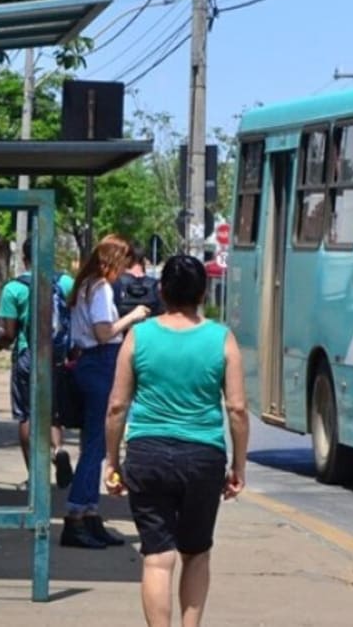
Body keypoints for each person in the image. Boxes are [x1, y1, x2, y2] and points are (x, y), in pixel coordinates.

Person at [105, 254, 249, 627]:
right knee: (197, 552)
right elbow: (236, 409)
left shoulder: (139, 336)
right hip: (203, 457)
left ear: (161, 290)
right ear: (202, 293)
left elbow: (118, 406)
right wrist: (238, 467)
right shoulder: (221, 339)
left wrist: (113, 462)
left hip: (147, 453)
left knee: (157, 556)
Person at [63, 234, 150, 549]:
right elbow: (103, 333)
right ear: (113, 262)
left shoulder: (84, 286)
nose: (125, 271)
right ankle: (76, 514)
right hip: (100, 363)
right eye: (123, 263)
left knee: (93, 443)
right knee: (97, 447)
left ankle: (89, 513)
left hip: (89, 364)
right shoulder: (99, 289)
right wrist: (133, 316)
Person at [0, 236, 76, 486]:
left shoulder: (14, 289)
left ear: (24, 258)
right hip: (57, 356)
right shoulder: (66, 282)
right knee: (52, 412)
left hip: (28, 356)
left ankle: (36, 477)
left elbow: (8, 333)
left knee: (27, 415)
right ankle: (58, 450)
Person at [113, 241, 163, 328]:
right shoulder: (156, 286)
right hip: (149, 338)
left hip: (120, 338)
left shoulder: (115, 284)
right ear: (143, 260)